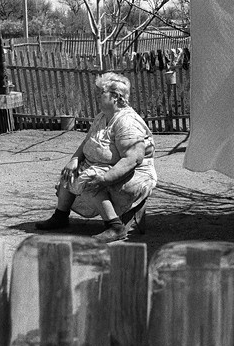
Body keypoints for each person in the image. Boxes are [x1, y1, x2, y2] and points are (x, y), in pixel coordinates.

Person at [35, 72, 157, 242]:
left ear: (115, 97)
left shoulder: (127, 122)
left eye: (102, 93)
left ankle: (115, 227)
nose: (98, 96)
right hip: (101, 164)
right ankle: (60, 216)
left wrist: (106, 178)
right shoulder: (102, 117)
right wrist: (74, 160)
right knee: (70, 174)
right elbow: (87, 142)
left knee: (91, 180)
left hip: (133, 172)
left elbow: (133, 158)